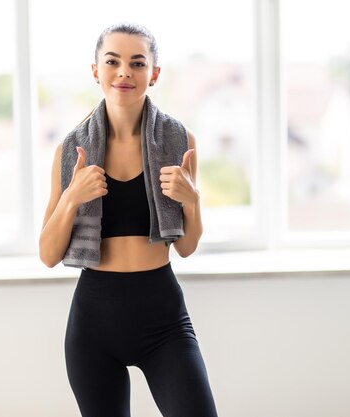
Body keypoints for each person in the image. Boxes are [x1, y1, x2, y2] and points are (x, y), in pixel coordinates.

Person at [39, 22, 219, 417]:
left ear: (154, 74)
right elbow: (48, 254)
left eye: (137, 63)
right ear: (96, 71)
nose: (124, 72)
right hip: (94, 324)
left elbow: (186, 248)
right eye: (113, 62)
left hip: (163, 319)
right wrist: (72, 198)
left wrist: (192, 200)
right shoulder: (71, 150)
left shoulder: (179, 142)